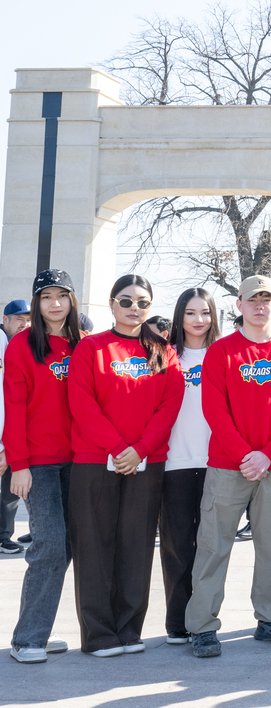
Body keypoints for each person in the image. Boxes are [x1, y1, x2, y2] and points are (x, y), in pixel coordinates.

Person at [185, 275, 271, 658]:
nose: (259, 306)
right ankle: (202, 626)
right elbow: (214, 410)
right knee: (213, 545)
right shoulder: (221, 352)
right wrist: (245, 455)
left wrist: (267, 454)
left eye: (266, 299)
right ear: (238, 304)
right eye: (252, 299)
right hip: (228, 465)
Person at [68, 274, 184, 657]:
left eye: (142, 302)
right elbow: (82, 402)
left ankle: (129, 629)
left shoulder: (163, 351)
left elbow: (170, 404)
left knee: (136, 545)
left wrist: (141, 450)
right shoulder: (91, 348)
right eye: (126, 301)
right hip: (95, 460)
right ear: (112, 303)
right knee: (94, 545)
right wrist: (119, 449)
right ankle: (98, 634)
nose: (134, 308)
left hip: (146, 462)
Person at [5, 270, 82, 663]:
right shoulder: (22, 345)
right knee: (49, 543)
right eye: (46, 296)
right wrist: (19, 464)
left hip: (80, 460)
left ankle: (38, 627)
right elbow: (14, 409)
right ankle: (27, 640)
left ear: (72, 301)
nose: (55, 303)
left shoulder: (83, 343)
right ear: (36, 303)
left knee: (65, 546)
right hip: (39, 463)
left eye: (62, 296)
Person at [159, 288, 221, 645]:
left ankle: (204, 617)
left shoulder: (222, 354)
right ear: (179, 316)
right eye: (191, 313)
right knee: (177, 546)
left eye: (206, 312)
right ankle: (177, 622)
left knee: (210, 547)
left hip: (216, 463)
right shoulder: (165, 354)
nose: (199, 320)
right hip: (174, 463)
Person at [0, 298, 33, 554]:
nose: (24, 324)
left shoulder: (25, 345)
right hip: (4, 435)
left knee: (11, 491)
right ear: (5, 320)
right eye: (19, 319)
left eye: (28, 320)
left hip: (16, 435)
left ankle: (3, 536)